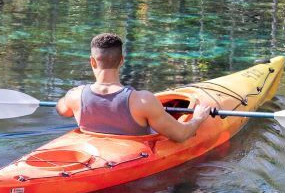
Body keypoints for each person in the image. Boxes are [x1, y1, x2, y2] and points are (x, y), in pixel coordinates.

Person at [56, 32, 214, 140]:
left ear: (92, 61)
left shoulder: (74, 96)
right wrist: (198, 118)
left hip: (96, 154)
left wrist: (68, 97)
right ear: (122, 60)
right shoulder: (143, 101)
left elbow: (61, 110)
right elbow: (181, 135)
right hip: (130, 158)